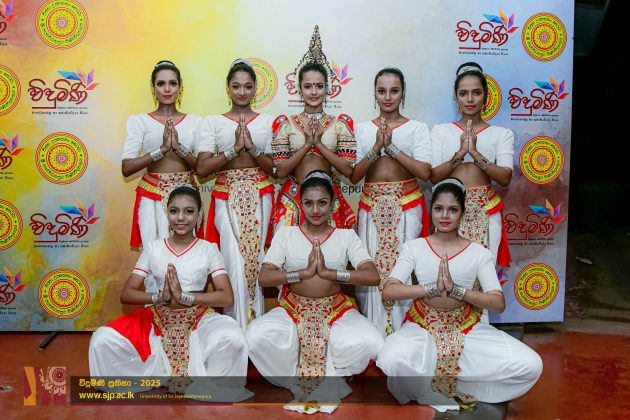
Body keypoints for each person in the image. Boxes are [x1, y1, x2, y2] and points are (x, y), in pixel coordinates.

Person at [376, 178, 542, 411]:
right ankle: (431, 381)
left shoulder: (478, 253)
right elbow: (389, 290)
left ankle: (461, 383)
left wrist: (457, 290)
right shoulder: (414, 247)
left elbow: (497, 303)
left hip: (466, 328)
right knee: (390, 358)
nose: (445, 216)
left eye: (452, 210)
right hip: (422, 327)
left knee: (531, 365)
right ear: (431, 210)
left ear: (462, 213)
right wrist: (431, 288)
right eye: (439, 208)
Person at [89, 186, 252, 401]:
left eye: (189, 211)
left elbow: (226, 297)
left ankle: (206, 379)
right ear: (167, 214)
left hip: (197, 318)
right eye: (174, 211)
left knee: (233, 337)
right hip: (158, 318)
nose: (181, 218)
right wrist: (159, 297)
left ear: (199, 215)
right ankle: (157, 373)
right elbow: (127, 294)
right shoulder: (153, 248)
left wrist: (186, 297)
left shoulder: (208, 249)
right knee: (102, 339)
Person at [246, 171, 384, 414]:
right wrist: (302, 274)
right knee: (255, 335)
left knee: (373, 341)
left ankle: (334, 372)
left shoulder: (346, 236)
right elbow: (265, 276)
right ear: (300, 204)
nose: (316, 210)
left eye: (322, 203)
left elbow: (372, 276)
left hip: (336, 309)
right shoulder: (286, 234)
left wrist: (332, 274)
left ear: (332, 204)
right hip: (294, 308)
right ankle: (295, 374)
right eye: (308, 203)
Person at [350, 67, 432, 336]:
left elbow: (425, 172)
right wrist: (376, 148)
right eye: (382, 91)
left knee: (404, 268)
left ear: (403, 94)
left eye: (394, 91)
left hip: (406, 207)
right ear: (374, 94)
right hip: (371, 208)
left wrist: (392, 148)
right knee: (371, 268)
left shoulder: (417, 128)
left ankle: (404, 336)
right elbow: (354, 176)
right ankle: (374, 337)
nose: (388, 97)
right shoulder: (363, 129)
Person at [196, 58, 275, 330]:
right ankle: (233, 330)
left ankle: (257, 329)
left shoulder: (268, 122)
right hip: (226, 195)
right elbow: (202, 168)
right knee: (232, 259)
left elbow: (275, 169)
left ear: (255, 89)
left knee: (256, 259)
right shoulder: (212, 122)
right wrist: (233, 150)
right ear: (228, 88)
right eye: (236, 86)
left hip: (260, 195)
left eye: (248, 86)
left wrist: (251, 148)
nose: (242, 92)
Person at [268, 26, 356, 242]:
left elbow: (348, 170)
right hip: (293, 199)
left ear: (327, 88)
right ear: (299, 89)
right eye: (308, 86)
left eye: (319, 86)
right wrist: (307, 145)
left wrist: (320, 145)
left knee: (331, 255)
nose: (314, 92)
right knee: (289, 256)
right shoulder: (286, 124)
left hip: (328, 201)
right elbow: (280, 172)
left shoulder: (340, 124)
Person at [430, 62, 513, 270]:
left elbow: (505, 177)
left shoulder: (501, 134)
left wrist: (475, 153)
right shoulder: (440, 131)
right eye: (463, 93)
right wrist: (459, 154)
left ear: (486, 96)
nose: (469, 99)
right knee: (449, 270)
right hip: (448, 209)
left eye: (476, 93)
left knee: (484, 271)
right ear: (455, 97)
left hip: (485, 210)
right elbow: (433, 177)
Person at [122, 60, 203, 248]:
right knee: (154, 254)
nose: (167, 89)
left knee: (187, 255)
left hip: (187, 197)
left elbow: (203, 169)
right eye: (161, 83)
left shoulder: (196, 122)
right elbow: (127, 168)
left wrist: (179, 148)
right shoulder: (139, 121)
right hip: (152, 195)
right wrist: (162, 150)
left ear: (180, 88)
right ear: (153, 89)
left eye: (172, 83)